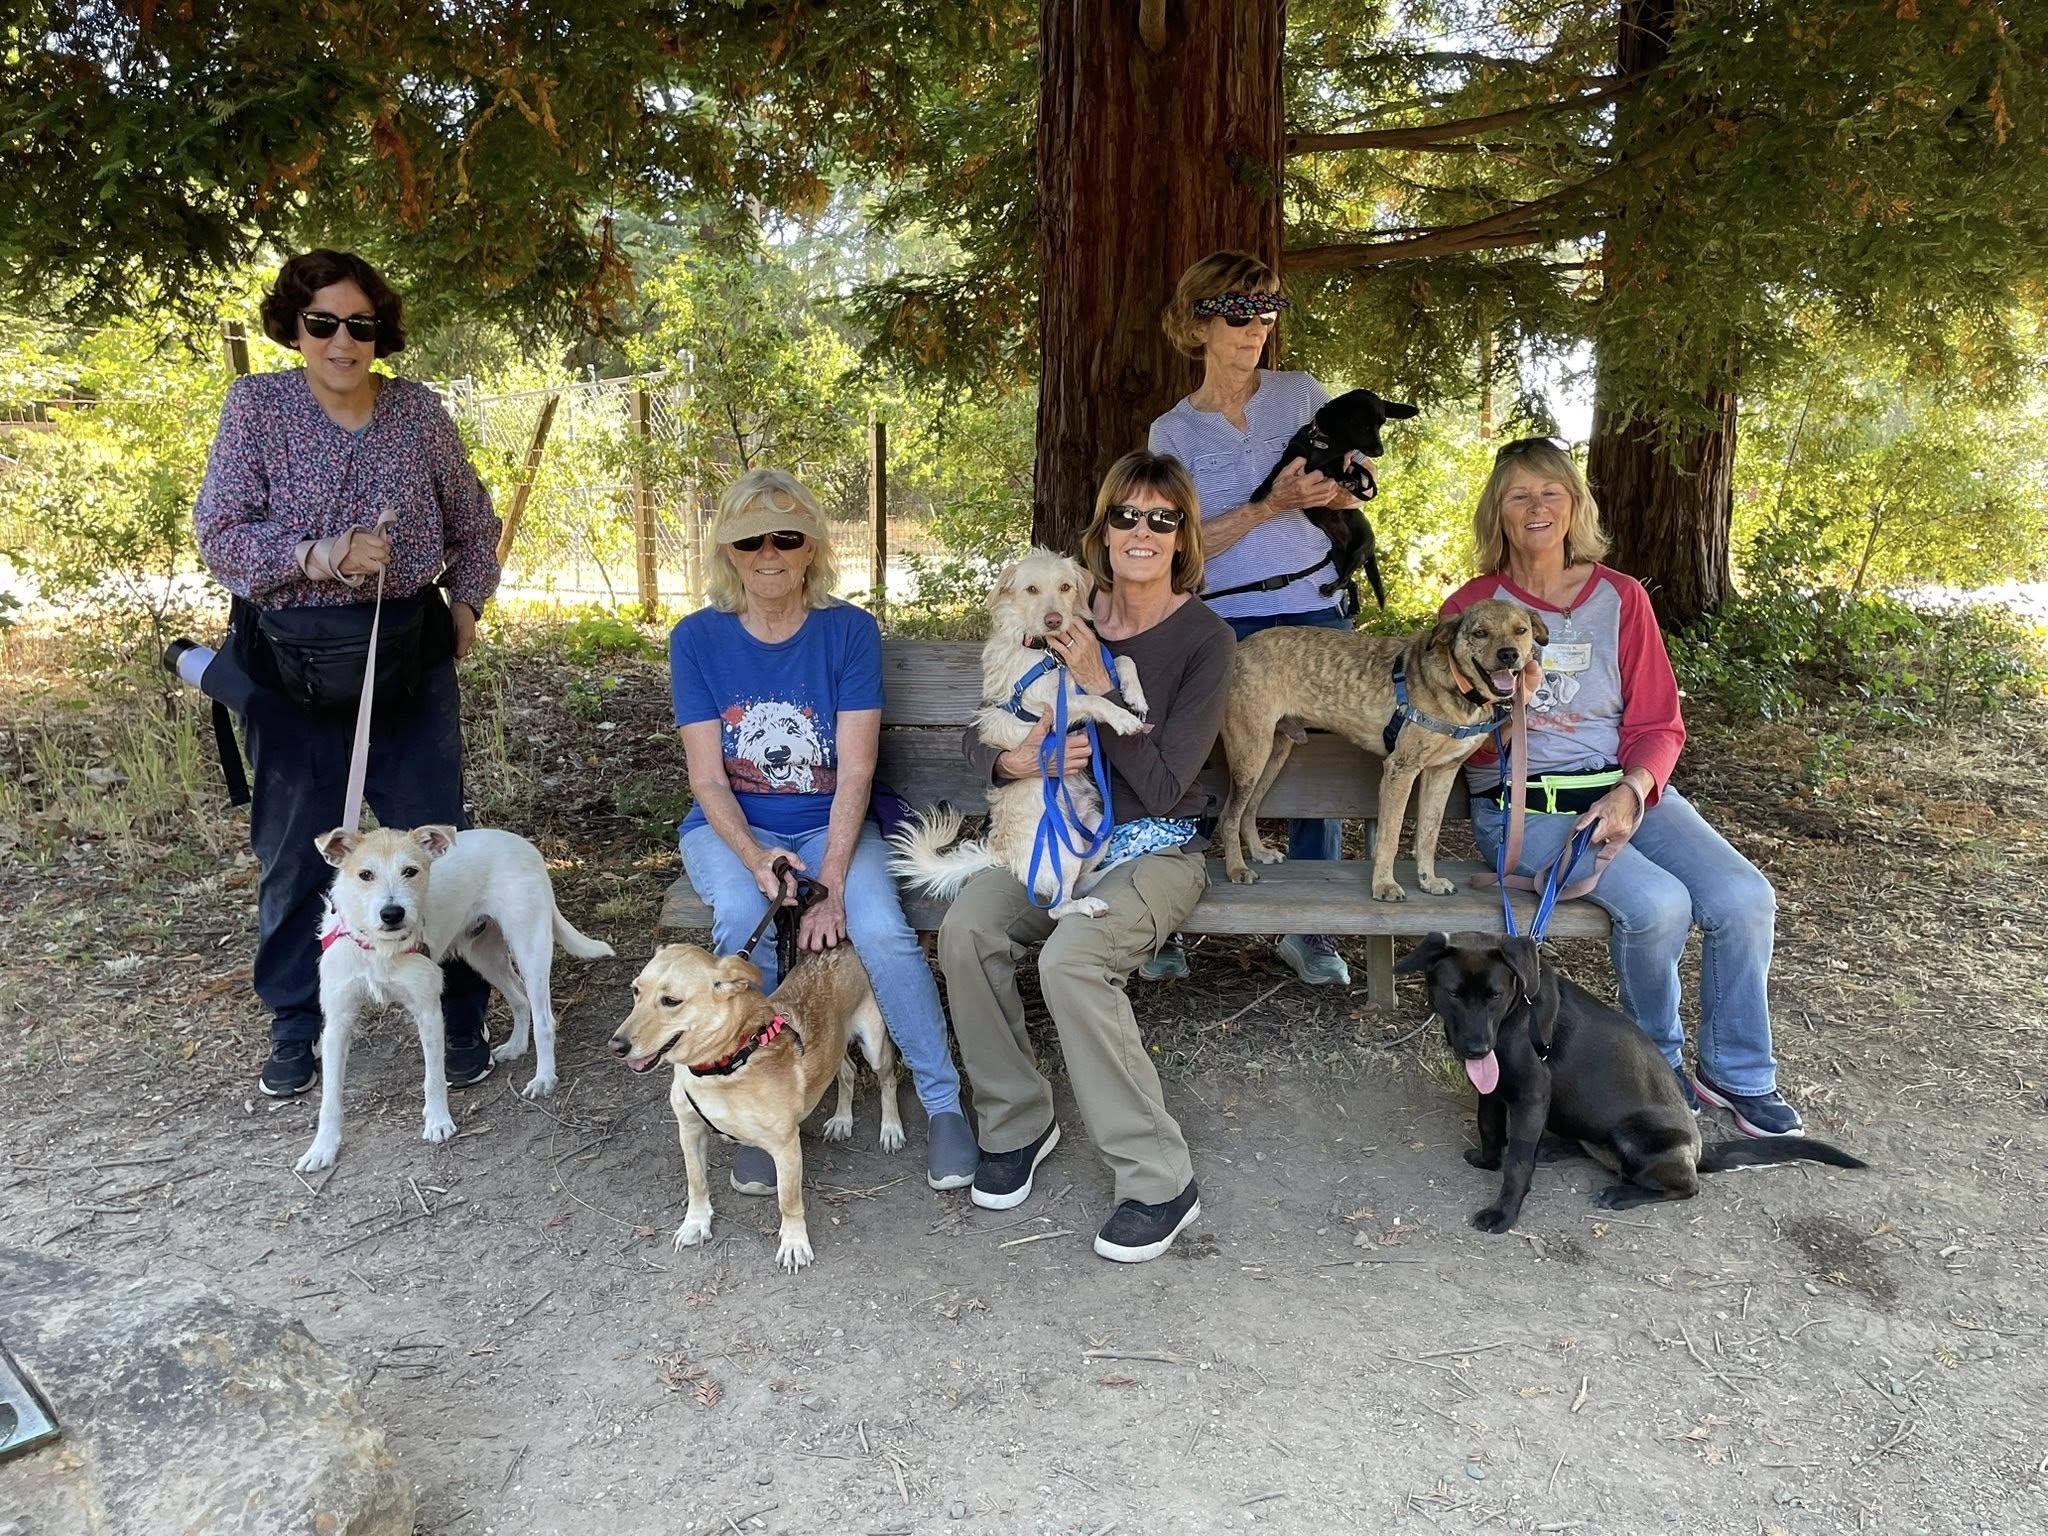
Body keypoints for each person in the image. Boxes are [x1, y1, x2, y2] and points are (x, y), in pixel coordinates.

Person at [192, 248, 502, 1098]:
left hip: (405, 658)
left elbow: (475, 525)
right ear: (295, 327)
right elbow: (218, 533)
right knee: (298, 853)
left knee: (429, 843)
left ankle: (459, 1011)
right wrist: (316, 555)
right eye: (323, 322)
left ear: (379, 333)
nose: (342, 341)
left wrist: (467, 607)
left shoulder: (418, 413)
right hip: (288, 662)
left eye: (359, 325)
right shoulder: (256, 406)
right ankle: (299, 1024)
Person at [1441, 437, 1804, 1136]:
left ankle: (1735, 1074)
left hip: (1625, 792)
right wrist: (1508, 716)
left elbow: (1660, 723)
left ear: (1575, 504)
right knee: (1660, 905)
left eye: (1551, 491)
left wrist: (1633, 791)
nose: (1537, 507)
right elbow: (1447, 736)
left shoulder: (1621, 597)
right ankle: (1655, 1071)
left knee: (1743, 898)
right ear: (1499, 512)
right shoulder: (1471, 606)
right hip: (1526, 804)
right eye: (1519, 495)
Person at [937, 450, 1234, 1262]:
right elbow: (985, 725)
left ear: (1182, 536)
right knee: (968, 930)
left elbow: (1171, 785)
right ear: (1102, 531)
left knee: (1071, 960)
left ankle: (1156, 1178)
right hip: (1054, 835)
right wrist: (1013, 763)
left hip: (1155, 848)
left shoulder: (1204, 639)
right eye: (1125, 516)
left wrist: (1100, 677)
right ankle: (1016, 1123)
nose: (1142, 532)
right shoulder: (1062, 605)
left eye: (1161, 519)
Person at [669, 468, 977, 1193]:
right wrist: (754, 859)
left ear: (812, 548)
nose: (768, 553)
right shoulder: (698, 639)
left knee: (879, 926)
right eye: (750, 540)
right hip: (733, 829)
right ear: (728, 551)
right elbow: (709, 779)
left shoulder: (847, 632)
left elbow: (857, 770)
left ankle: (943, 1102)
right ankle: (755, 1101)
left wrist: (830, 880)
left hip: (830, 824)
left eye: (787, 537)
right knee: (747, 913)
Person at [1146, 248, 1364, 988]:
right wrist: (1270, 505)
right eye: (1239, 310)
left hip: (1312, 609)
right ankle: (1160, 920)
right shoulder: (1171, 433)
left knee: (1322, 766)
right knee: (1195, 762)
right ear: (1198, 320)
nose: (1257, 325)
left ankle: (1310, 929)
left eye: (1270, 307)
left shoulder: (1301, 393)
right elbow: (1177, 542)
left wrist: (1338, 493)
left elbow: (1357, 485)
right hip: (1223, 620)